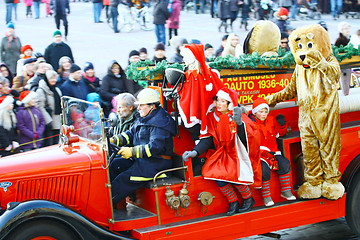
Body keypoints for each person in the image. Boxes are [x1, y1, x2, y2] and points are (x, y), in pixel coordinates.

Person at [182, 88, 261, 215]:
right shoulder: (212, 117)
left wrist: (239, 124)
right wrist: (195, 152)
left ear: (230, 103)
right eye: (217, 100)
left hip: (237, 154)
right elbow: (207, 138)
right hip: (222, 153)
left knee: (234, 175)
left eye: (223, 101)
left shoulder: (237, 117)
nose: (218, 103)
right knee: (219, 177)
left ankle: (248, 198)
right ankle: (233, 201)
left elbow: (250, 137)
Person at [109, 88, 176, 206]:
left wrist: (132, 151)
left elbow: (154, 147)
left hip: (156, 164)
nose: (138, 108)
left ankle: (106, 208)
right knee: (113, 165)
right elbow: (130, 134)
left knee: (123, 180)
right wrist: (114, 140)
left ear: (152, 106)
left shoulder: (161, 122)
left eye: (141, 105)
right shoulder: (145, 117)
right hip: (142, 160)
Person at [248, 98, 296, 206]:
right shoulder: (249, 123)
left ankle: (285, 191)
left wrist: (282, 125)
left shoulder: (271, 120)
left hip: (273, 151)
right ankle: (266, 196)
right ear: (255, 112)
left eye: (265, 112)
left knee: (284, 163)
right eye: (261, 112)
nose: (263, 114)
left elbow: (280, 133)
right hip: (259, 154)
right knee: (263, 170)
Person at [36, 70, 62, 147]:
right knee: (49, 144)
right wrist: (48, 121)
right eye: (51, 78)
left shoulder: (56, 89)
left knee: (56, 142)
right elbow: (40, 107)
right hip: (48, 121)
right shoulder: (41, 91)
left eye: (55, 78)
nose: (53, 80)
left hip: (57, 120)